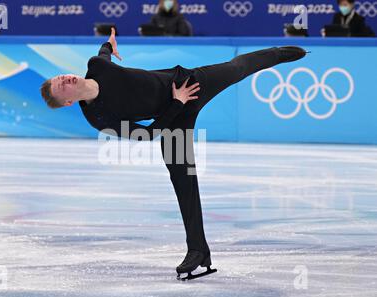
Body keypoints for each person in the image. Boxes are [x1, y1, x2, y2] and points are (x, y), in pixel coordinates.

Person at [40, 28, 307, 280]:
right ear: (68, 102)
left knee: (235, 68)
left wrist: (110, 43)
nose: (64, 79)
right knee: (183, 181)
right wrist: (176, 104)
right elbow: (146, 134)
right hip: (171, 118)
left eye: (60, 77)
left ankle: (280, 53)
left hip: (188, 83)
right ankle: (198, 251)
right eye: (61, 86)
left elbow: (103, 53)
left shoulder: (96, 66)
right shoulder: (98, 117)